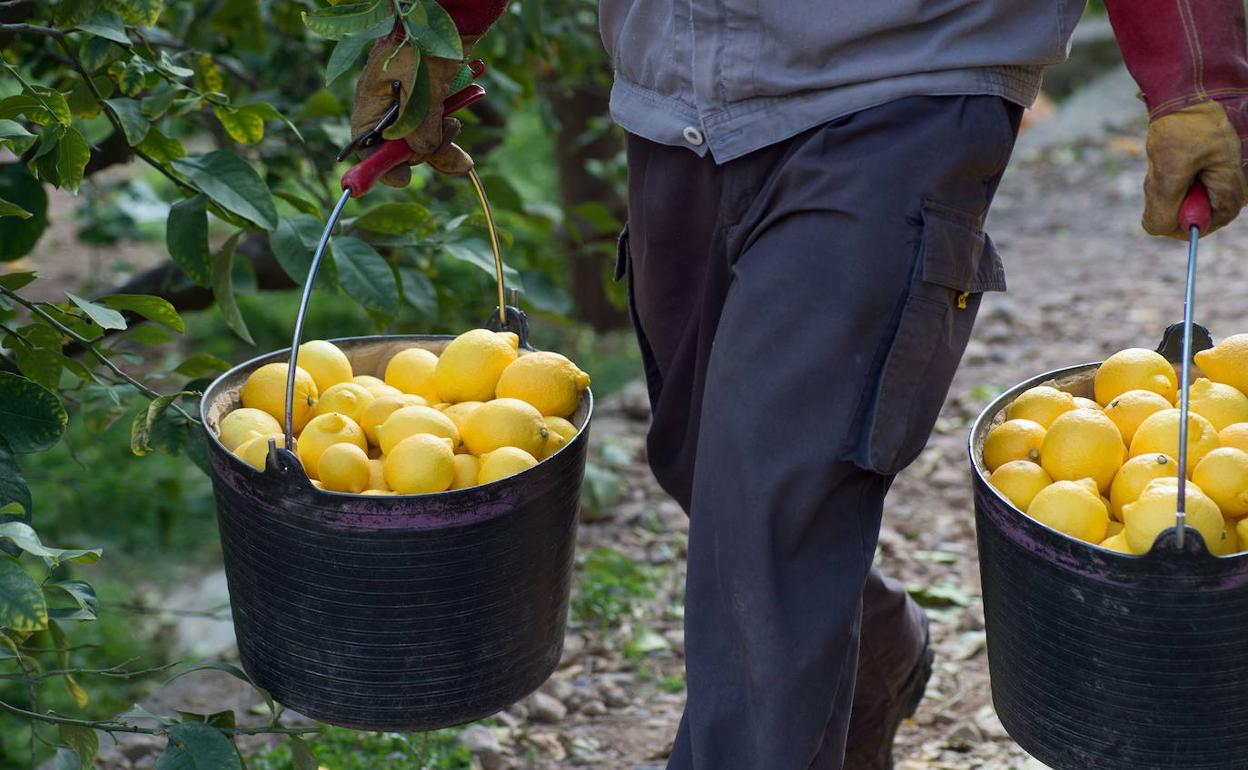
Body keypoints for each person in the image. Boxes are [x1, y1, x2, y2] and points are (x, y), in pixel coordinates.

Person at [349, 1, 1248, 767]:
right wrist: (439, 24)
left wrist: (1195, 71)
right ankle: (872, 663)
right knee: (704, 462)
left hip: (903, 79)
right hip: (673, 93)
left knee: (768, 500)